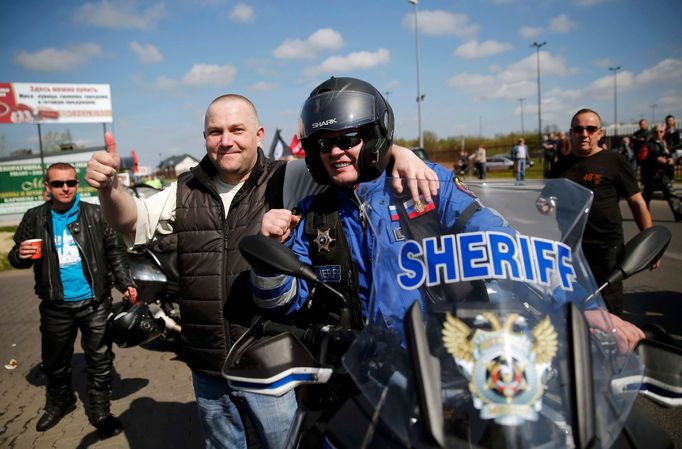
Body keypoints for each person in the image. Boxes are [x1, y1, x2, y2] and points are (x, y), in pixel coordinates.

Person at [84, 93, 438, 449]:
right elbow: (132, 221)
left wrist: (399, 154)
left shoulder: (289, 175)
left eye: (237, 129)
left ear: (258, 135)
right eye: (215, 131)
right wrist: (109, 187)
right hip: (207, 364)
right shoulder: (185, 187)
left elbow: (346, 157)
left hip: (272, 364)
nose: (226, 141)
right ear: (204, 137)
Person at [253, 79, 645, 353]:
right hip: (357, 373)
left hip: (443, 362)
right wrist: (272, 256)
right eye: (324, 143)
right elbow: (282, 305)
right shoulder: (310, 218)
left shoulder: (423, 186)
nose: (335, 151)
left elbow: (504, 245)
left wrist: (584, 307)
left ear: (372, 137)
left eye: (347, 139)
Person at [8, 162, 137, 437]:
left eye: (70, 182)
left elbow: (115, 251)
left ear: (77, 185)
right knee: (54, 362)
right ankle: (61, 403)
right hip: (55, 306)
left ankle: (101, 412)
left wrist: (125, 282)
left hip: (94, 303)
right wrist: (19, 256)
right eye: (58, 184)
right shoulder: (35, 217)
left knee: (101, 361)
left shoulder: (96, 213)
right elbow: (15, 254)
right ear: (47, 187)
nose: (65, 188)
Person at [548, 109, 655, 316]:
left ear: (600, 133)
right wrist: (544, 204)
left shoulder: (614, 161)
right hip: (572, 247)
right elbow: (547, 197)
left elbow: (637, 203)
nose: (584, 133)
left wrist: (650, 244)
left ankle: (613, 346)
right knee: (577, 305)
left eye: (590, 128)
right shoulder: (560, 166)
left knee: (608, 307)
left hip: (607, 248)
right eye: (578, 129)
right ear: (571, 133)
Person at [641, 123, 682, 222]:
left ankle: (679, 215)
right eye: (656, 132)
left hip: (664, 174)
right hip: (651, 175)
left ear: (664, 132)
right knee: (646, 197)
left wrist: (672, 160)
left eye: (661, 131)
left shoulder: (666, 144)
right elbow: (642, 159)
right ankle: (644, 217)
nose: (658, 134)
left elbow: (675, 155)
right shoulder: (648, 144)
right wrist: (655, 159)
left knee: (672, 195)